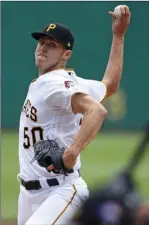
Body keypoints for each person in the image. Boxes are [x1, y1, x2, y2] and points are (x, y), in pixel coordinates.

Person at [17, 5, 131, 225]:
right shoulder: (71, 82)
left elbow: (97, 111)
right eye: (41, 42)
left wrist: (72, 152)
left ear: (66, 54)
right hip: (31, 193)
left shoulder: (53, 83)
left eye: (52, 45)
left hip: (60, 190)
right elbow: (111, 84)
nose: (43, 48)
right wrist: (118, 36)